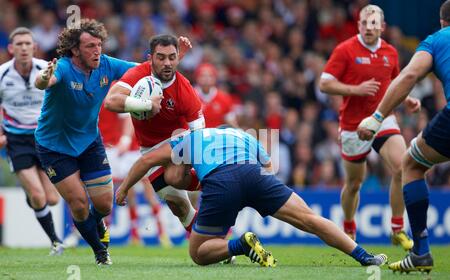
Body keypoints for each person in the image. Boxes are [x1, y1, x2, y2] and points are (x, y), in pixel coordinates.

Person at [115, 127, 388, 267]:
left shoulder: (189, 139)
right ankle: (365, 256)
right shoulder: (243, 135)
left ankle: (241, 246)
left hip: (220, 181)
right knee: (311, 219)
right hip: (255, 175)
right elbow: (267, 167)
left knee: (199, 253)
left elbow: (146, 160)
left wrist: (125, 187)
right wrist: (256, 193)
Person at [33, 19, 139, 265]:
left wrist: (164, 64)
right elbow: (44, 81)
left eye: (99, 45)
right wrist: (43, 77)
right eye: (90, 46)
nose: (97, 51)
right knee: (79, 204)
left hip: (89, 141)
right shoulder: (62, 68)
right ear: (75, 50)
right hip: (54, 146)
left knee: (104, 205)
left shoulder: (107, 65)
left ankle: (97, 221)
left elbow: (141, 70)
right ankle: (100, 253)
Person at [357, 0, 450, 274]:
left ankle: (420, 252)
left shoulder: (438, 39)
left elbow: (409, 75)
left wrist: (377, 117)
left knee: (410, 164)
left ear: (442, 21)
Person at [319, 4, 419, 249]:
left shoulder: (391, 53)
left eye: (374, 23)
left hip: (382, 117)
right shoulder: (345, 50)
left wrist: (405, 99)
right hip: (353, 124)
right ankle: (349, 227)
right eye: (365, 23)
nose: (369, 27)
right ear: (359, 25)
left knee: (402, 167)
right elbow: (324, 83)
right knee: (354, 183)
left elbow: (393, 82)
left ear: (382, 27)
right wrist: (355, 90)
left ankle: (397, 228)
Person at [104, 34, 205, 235]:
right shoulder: (137, 74)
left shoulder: (186, 91)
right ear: (150, 58)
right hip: (148, 148)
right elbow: (110, 102)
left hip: (179, 141)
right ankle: (214, 241)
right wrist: (147, 104)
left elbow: (200, 137)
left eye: (172, 57)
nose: (167, 63)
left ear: (177, 58)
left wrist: (124, 188)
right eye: (161, 57)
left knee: (175, 177)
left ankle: (216, 182)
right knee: (180, 208)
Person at [0, 27, 63, 255]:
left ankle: (31, 195)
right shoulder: (2, 74)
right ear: (11, 49)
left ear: (34, 47)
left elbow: (60, 101)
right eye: (19, 44)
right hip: (16, 140)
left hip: (45, 139)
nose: (24, 48)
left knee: (53, 199)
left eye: (28, 44)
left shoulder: (46, 70)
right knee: (38, 196)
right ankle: (56, 241)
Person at [98, 103, 171, 247]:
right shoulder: (113, 97)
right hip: (119, 151)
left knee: (149, 190)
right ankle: (134, 235)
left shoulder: (128, 96)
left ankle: (162, 233)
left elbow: (130, 121)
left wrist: (125, 140)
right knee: (127, 193)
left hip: (136, 150)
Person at [194, 62, 238, 128]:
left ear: (215, 78)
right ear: (197, 78)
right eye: (203, 76)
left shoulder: (224, 98)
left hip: (218, 137)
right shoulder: (190, 96)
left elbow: (232, 122)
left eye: (210, 76)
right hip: (196, 136)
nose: (206, 79)